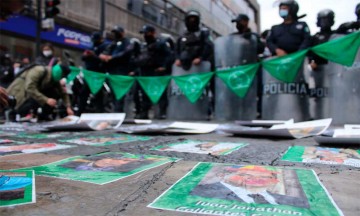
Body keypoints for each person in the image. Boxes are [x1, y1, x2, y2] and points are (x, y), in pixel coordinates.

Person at [190, 165, 310, 208]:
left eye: (264, 176)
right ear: (223, 175)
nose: (255, 179)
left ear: (274, 181)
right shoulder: (197, 192)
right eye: (244, 174)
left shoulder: (297, 202)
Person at [6, 63, 74, 120]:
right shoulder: (39, 71)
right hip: (20, 93)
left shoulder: (53, 79)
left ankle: (43, 115)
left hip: (30, 95)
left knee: (55, 93)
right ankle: (16, 113)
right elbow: (30, 88)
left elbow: (63, 93)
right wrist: (46, 100)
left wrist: (68, 107)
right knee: (18, 110)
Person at [133, 25, 172, 119]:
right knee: (144, 93)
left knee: (160, 92)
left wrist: (164, 67)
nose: (145, 35)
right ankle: (144, 113)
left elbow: (169, 56)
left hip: (157, 72)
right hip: (145, 72)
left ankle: (162, 112)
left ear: (153, 33)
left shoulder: (161, 43)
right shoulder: (143, 45)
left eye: (147, 33)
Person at [100, 26, 133, 112]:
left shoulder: (127, 42)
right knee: (113, 93)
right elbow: (106, 51)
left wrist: (112, 57)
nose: (115, 34)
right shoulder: (113, 43)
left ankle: (119, 111)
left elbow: (126, 53)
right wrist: (104, 56)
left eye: (117, 32)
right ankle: (115, 110)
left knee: (120, 93)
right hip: (112, 72)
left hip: (121, 72)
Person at [77, 31, 110, 114]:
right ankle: (80, 112)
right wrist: (86, 55)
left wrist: (93, 55)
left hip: (98, 73)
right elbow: (83, 57)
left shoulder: (105, 46)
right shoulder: (91, 46)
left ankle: (100, 112)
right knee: (84, 93)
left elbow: (104, 60)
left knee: (98, 93)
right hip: (89, 73)